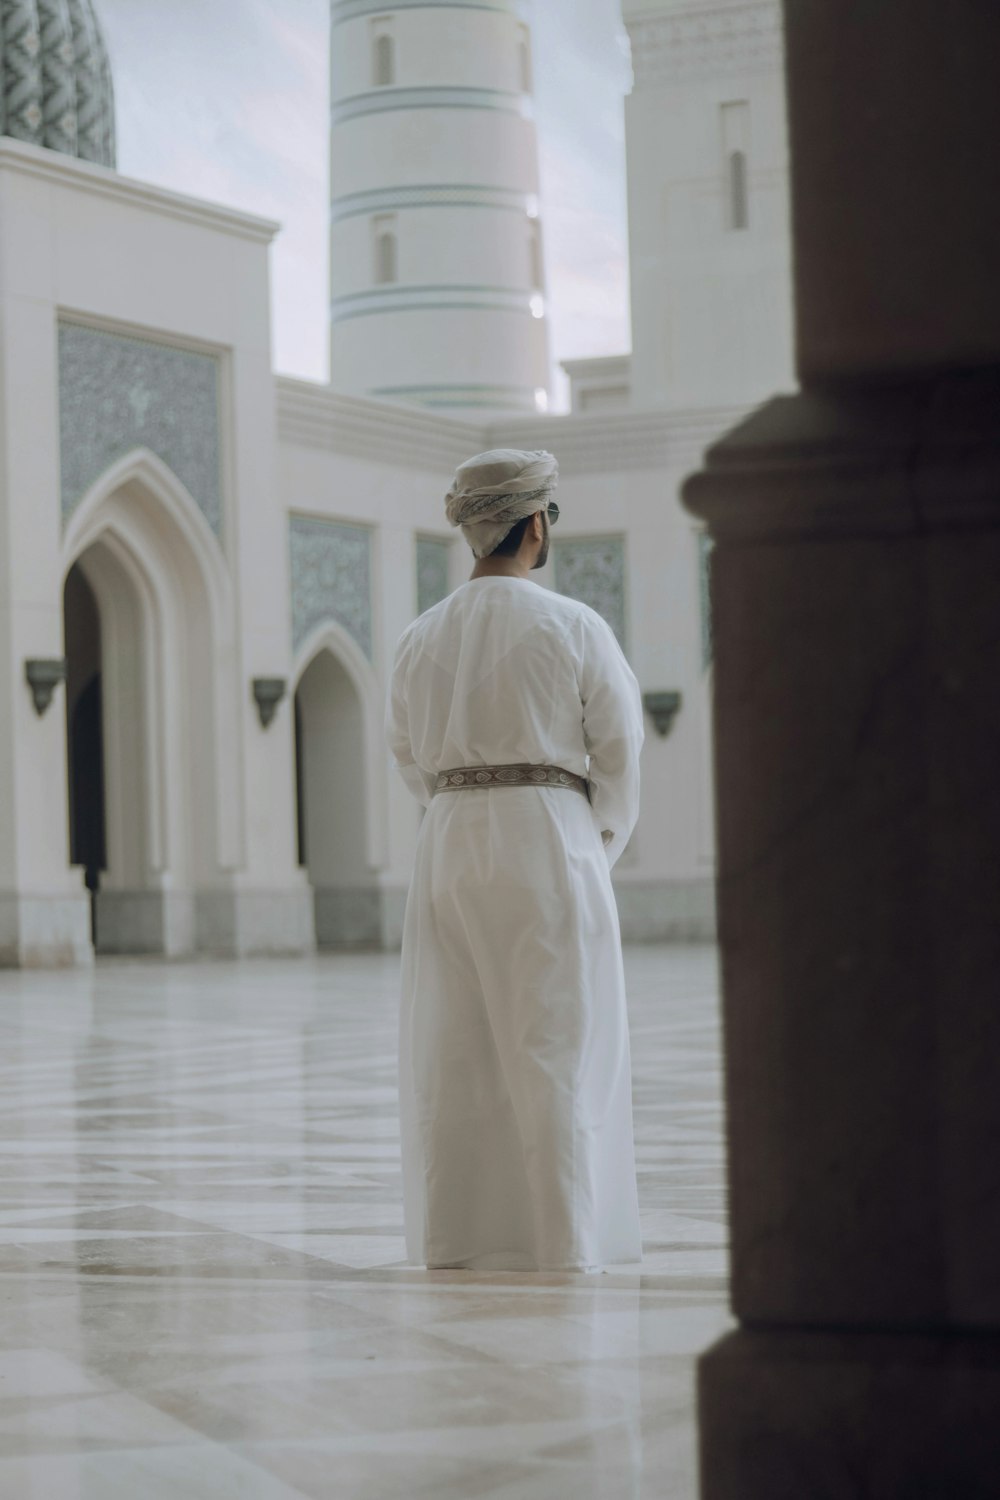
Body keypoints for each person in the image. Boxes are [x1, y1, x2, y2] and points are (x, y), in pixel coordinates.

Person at [385, 448, 644, 1272]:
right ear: (536, 524)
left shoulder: (417, 638)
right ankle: (562, 1244)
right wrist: (592, 840)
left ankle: (460, 1241)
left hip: (449, 844)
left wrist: (460, 813)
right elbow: (620, 751)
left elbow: (407, 758)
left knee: (455, 1047)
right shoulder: (573, 626)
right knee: (556, 1041)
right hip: (547, 837)